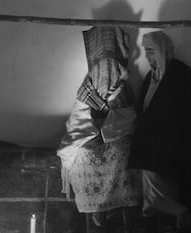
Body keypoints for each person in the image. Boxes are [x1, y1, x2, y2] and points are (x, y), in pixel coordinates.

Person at [128, 31, 191, 230]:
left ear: (162, 50)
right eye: (145, 52)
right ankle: (160, 211)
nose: (148, 57)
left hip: (180, 139)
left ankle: (179, 212)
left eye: (151, 51)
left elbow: (189, 113)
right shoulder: (151, 77)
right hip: (156, 140)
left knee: (153, 169)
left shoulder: (180, 73)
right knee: (144, 167)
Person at [57, 26, 139, 227]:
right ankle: (95, 208)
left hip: (115, 136)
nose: (107, 70)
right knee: (83, 154)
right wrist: (94, 132)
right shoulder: (87, 89)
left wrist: (110, 125)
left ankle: (112, 205)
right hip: (90, 135)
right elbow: (79, 121)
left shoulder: (123, 87)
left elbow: (129, 119)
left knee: (120, 153)